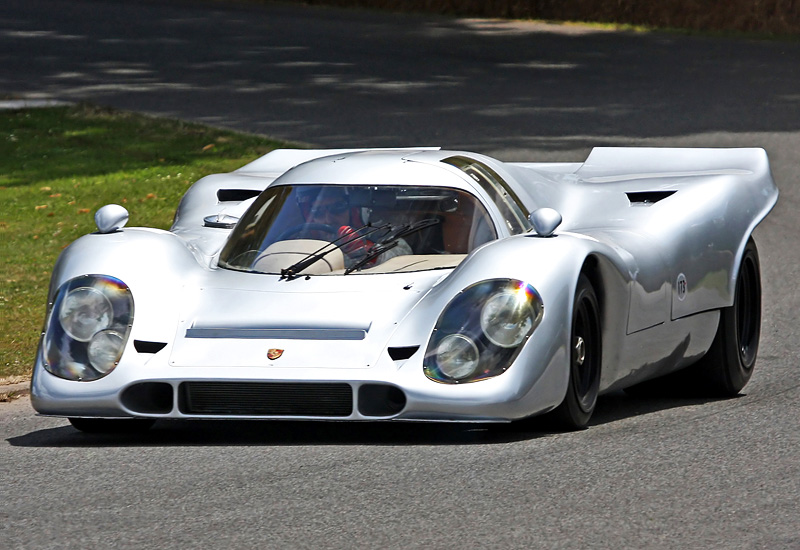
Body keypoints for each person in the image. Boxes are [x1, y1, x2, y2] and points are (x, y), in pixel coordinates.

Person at [295, 186, 412, 269]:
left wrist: (370, 253)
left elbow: (404, 256)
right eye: (318, 212)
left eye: (337, 208)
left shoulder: (379, 235)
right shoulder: (303, 243)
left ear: (355, 211)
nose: (328, 220)